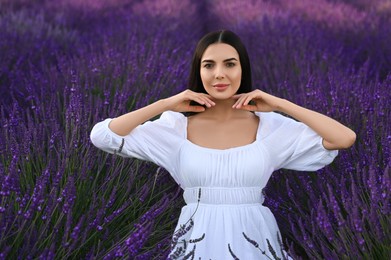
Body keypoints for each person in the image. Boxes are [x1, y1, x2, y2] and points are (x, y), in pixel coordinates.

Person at [90, 30, 356, 259]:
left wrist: (280, 104)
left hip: (255, 237)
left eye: (230, 64)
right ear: (198, 71)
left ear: (243, 69)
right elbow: (103, 136)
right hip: (195, 238)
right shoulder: (174, 129)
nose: (219, 74)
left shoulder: (271, 127)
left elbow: (343, 138)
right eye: (208, 65)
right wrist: (165, 104)